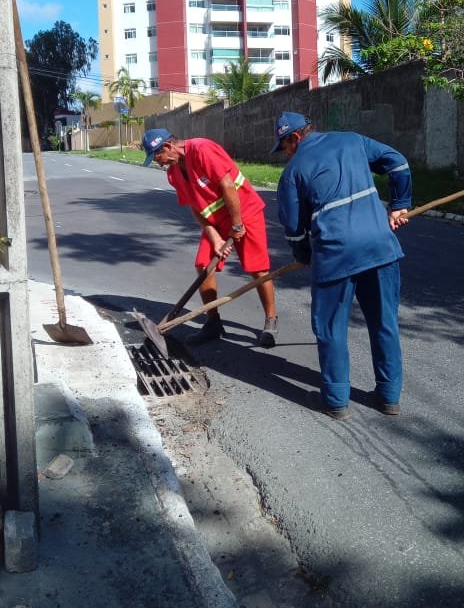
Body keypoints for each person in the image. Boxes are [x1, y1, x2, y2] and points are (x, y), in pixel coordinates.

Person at [272, 111, 412, 421]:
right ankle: (389, 397)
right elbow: (398, 162)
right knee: (384, 321)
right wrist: (401, 203)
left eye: (284, 147)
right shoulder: (352, 141)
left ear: (294, 138)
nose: (285, 154)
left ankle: (336, 401)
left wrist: (303, 254)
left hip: (335, 255)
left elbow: (294, 229)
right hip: (379, 246)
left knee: (330, 327)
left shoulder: (292, 173)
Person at [142, 128, 278, 347]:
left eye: (157, 157)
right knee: (204, 265)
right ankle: (213, 323)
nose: (159, 163)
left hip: (245, 212)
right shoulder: (173, 173)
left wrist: (237, 225)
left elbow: (228, 186)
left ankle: (271, 320)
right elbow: (195, 207)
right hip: (217, 222)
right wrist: (214, 236)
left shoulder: (202, 149)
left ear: (167, 146)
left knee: (257, 268)